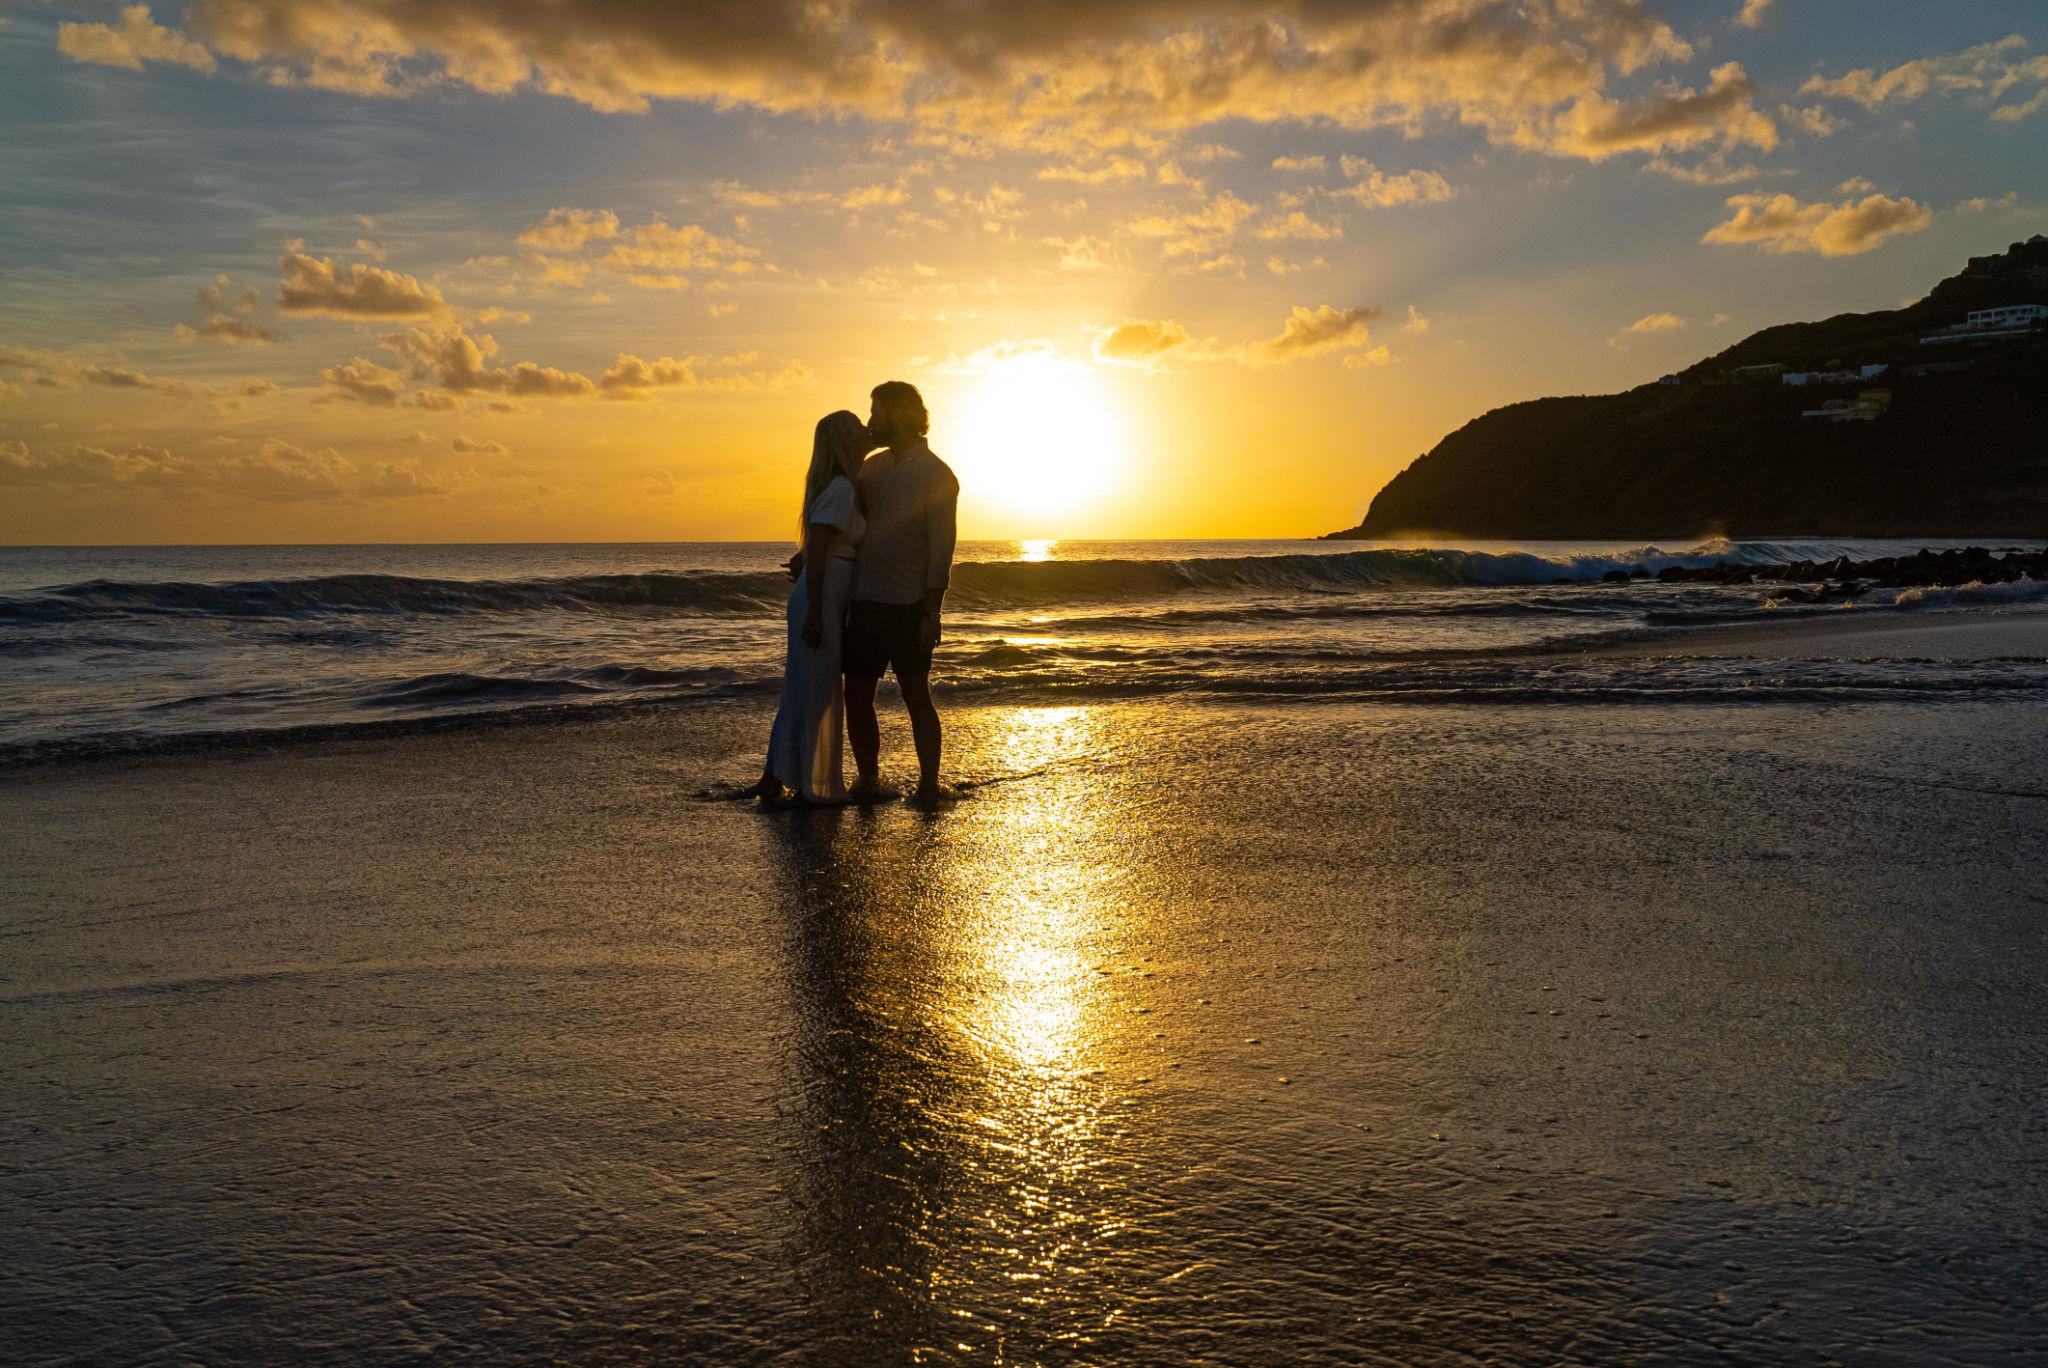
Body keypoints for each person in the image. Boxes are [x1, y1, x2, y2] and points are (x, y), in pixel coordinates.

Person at [843, 380, 958, 807]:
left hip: (910, 605)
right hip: (865, 601)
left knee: (915, 692)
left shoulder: (937, 474)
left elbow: (941, 548)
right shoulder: (869, 468)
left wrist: (933, 613)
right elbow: (847, 524)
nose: (871, 421)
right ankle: (869, 781)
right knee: (855, 693)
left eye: (875, 412)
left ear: (897, 413)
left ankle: (930, 784)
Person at [753, 410, 869, 804]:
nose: (867, 431)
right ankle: (801, 783)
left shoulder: (844, 484)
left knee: (806, 690)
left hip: (826, 595)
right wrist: (817, 610)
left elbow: (817, 548)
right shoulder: (841, 487)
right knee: (815, 691)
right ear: (845, 441)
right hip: (820, 599)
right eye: (857, 428)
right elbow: (819, 549)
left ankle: (778, 777)